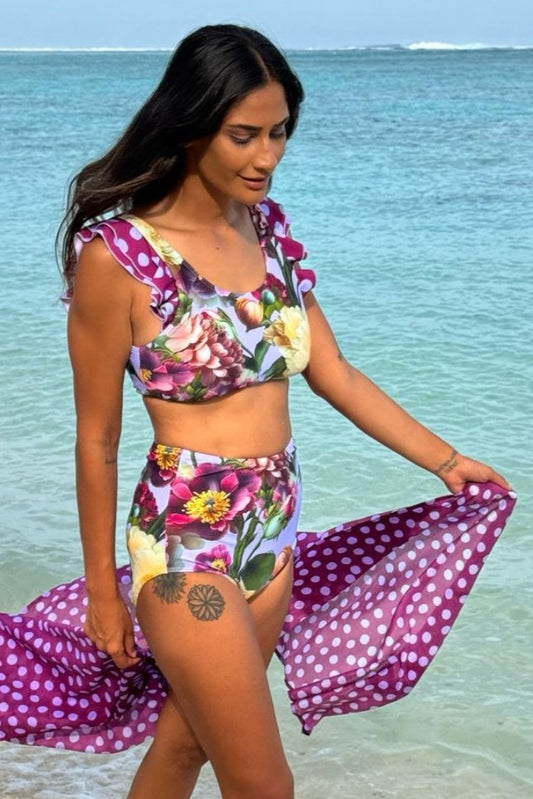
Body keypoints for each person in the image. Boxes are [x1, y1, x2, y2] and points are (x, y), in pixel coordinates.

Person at [0, 23, 514, 799]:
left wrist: (445, 461)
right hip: (185, 548)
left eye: (278, 133)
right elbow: (97, 438)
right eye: (244, 135)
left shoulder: (268, 234)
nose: (266, 156)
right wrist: (104, 597)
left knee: (184, 753)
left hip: (272, 529)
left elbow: (330, 369)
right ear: (192, 126)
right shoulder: (119, 257)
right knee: (264, 784)